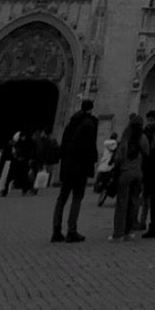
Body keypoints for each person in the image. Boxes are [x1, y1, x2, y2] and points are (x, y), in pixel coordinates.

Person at [51, 99, 99, 244]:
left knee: (62, 198)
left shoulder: (71, 123)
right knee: (77, 198)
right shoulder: (89, 124)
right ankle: (72, 231)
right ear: (91, 108)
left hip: (67, 166)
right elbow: (89, 147)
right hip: (80, 166)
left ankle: (56, 231)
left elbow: (64, 145)